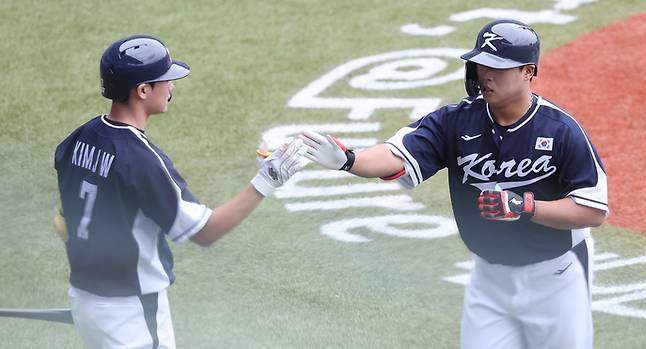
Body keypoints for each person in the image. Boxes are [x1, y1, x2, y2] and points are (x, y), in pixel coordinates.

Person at [299, 19, 608, 349]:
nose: (485, 75)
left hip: (556, 279)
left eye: (498, 67)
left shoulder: (561, 130)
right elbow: (396, 154)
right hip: (489, 280)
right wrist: (350, 160)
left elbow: (592, 209)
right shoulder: (455, 121)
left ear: (528, 72)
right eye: (480, 65)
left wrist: (525, 207)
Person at [54, 35, 307, 349]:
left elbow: (64, 221)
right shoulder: (142, 160)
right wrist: (266, 181)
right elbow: (205, 231)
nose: (171, 88)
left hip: (85, 300)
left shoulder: (78, 138)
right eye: (165, 81)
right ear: (143, 90)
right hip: (132, 312)